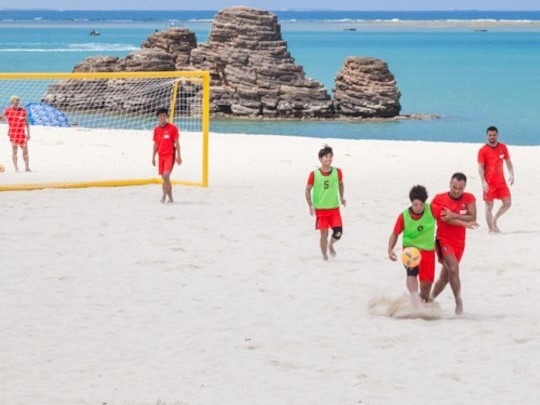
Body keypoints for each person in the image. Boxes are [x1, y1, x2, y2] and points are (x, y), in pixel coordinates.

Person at [430, 172, 479, 315]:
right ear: (450, 184)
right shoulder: (439, 199)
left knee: (445, 277)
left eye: (460, 188)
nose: (457, 191)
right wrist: (461, 221)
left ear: (464, 187)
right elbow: (445, 219)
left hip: (460, 243)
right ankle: (458, 300)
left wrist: (454, 215)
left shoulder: (469, 198)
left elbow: (472, 217)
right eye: (454, 187)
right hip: (442, 240)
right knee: (454, 268)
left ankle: (430, 299)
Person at [388, 185, 436, 305]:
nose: (418, 208)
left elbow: (446, 217)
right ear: (411, 203)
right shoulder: (403, 216)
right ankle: (414, 297)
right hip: (410, 249)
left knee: (426, 285)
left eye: (421, 205)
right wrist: (390, 249)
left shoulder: (432, 209)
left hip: (428, 250)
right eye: (415, 205)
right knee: (412, 273)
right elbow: (395, 234)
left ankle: (423, 299)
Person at [305, 145, 346, 260]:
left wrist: (342, 197)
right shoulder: (314, 174)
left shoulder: (337, 172)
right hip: (321, 210)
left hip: (334, 208)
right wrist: (310, 204)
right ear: (320, 159)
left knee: (338, 233)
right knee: (324, 235)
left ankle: (331, 245)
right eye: (325, 157)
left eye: (330, 156)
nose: (328, 159)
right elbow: (307, 189)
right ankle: (324, 255)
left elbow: (341, 184)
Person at [478, 125, 514, 233]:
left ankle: (495, 219)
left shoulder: (503, 147)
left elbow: (508, 162)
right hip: (489, 183)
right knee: (489, 206)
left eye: (494, 135)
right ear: (487, 136)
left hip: (501, 182)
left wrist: (511, 174)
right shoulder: (483, 150)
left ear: (497, 135)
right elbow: (480, 168)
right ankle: (491, 229)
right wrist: (483, 182)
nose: (492, 137)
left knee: (507, 203)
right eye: (490, 135)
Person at [152, 107, 181, 203]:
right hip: (160, 156)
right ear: (157, 118)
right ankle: (171, 198)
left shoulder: (173, 128)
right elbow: (156, 144)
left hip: (170, 155)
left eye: (164, 116)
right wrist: (153, 157)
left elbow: (177, 143)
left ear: (166, 117)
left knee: (166, 175)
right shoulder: (156, 129)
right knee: (165, 178)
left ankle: (164, 196)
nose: (162, 118)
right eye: (160, 116)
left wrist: (179, 156)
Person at [3, 95, 31, 172]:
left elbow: (27, 123)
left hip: (22, 135)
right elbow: (1, 117)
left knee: (25, 151)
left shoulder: (23, 111)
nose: (16, 103)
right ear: (11, 102)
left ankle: (27, 167)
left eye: (17, 101)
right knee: (14, 151)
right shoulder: (7, 111)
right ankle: (16, 168)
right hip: (13, 134)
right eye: (14, 101)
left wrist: (29, 134)